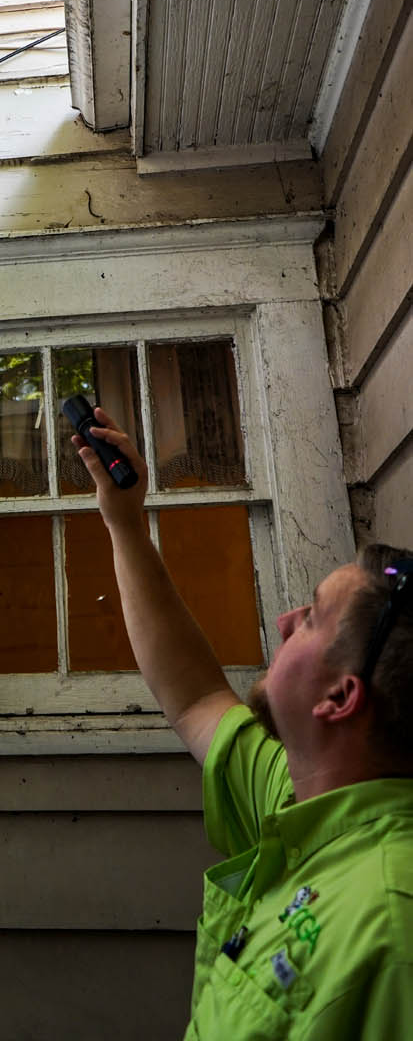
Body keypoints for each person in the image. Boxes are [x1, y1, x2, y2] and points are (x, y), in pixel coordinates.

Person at [73, 407, 413, 1039]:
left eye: (312, 618)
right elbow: (195, 696)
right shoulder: (302, 798)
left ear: (339, 697)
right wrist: (124, 522)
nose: (286, 620)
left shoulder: (393, 928)